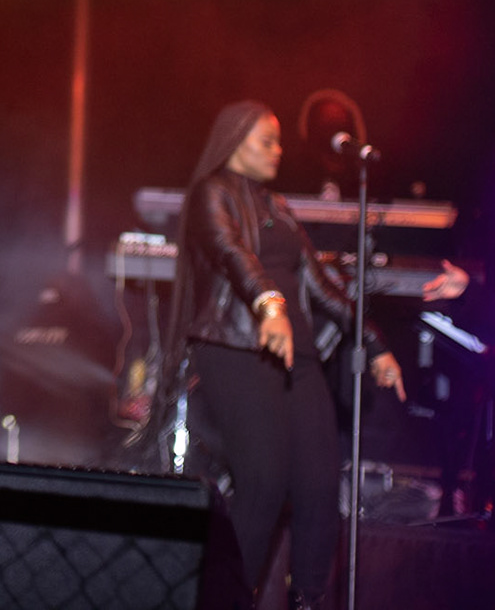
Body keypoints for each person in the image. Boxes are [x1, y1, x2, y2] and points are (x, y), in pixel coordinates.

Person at [162, 100, 411, 610]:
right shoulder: (213, 193)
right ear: (235, 141)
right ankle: (226, 601)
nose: (277, 150)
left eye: (278, 141)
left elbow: (322, 288)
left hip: (298, 358)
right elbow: (232, 253)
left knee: (319, 488)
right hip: (238, 350)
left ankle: (307, 600)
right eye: (266, 141)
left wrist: (375, 343)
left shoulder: (277, 207)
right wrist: (269, 304)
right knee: (263, 483)